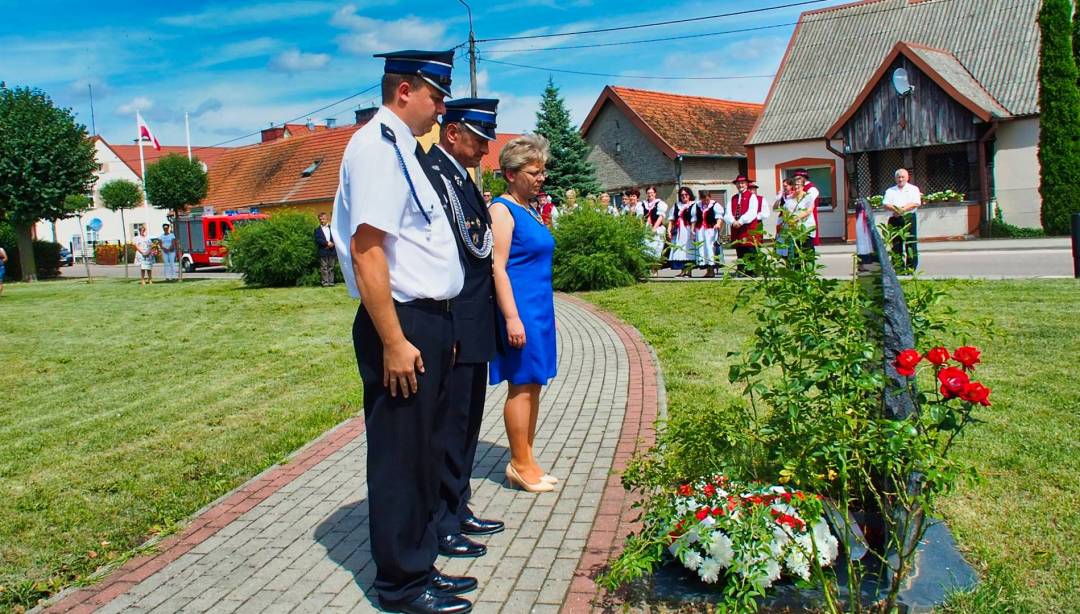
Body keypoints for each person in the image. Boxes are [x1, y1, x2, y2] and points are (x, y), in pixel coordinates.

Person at [330, 49, 476, 614]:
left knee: (422, 452)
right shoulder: (374, 149)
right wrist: (394, 340)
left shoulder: (404, 150)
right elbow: (368, 252)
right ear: (405, 91)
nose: (442, 109)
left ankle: (418, 563)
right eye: (436, 97)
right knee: (400, 456)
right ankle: (400, 585)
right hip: (402, 321)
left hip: (426, 321)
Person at [417, 97, 506, 561]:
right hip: (455, 323)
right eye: (479, 140)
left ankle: (458, 505)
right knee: (450, 427)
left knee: (467, 425)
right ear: (453, 133)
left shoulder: (460, 178)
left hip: (473, 322)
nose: (486, 151)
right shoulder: (433, 176)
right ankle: (443, 521)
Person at [488, 134, 558, 494]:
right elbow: (498, 267)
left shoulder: (528, 207)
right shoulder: (502, 210)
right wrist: (512, 318)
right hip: (520, 311)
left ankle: (528, 459)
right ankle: (518, 464)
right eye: (534, 171)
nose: (540, 177)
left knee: (533, 384)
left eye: (542, 171)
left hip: (539, 309)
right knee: (521, 384)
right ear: (510, 173)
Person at [883, 168, 922, 272]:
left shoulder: (914, 189)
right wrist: (896, 210)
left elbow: (915, 203)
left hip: (909, 218)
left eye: (902, 177)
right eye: (898, 177)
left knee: (911, 244)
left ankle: (910, 269)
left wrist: (902, 210)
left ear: (907, 177)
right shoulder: (890, 191)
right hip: (895, 219)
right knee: (896, 244)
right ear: (895, 179)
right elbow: (886, 204)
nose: (900, 179)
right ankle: (898, 268)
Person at [725, 175, 762, 276]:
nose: (740, 185)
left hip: (747, 228)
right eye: (738, 183)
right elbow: (728, 212)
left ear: (746, 184)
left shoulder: (752, 196)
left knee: (750, 249)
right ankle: (741, 270)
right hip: (737, 228)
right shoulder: (733, 198)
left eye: (742, 183)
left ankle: (752, 271)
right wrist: (732, 221)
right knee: (740, 249)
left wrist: (741, 221)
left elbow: (752, 212)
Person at [785, 175, 818, 264]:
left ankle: (809, 272)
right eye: (794, 184)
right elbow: (786, 211)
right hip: (794, 229)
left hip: (806, 228)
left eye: (798, 184)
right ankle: (798, 272)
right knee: (796, 252)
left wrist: (795, 218)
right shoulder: (789, 198)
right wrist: (788, 219)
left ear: (803, 185)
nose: (796, 186)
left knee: (807, 251)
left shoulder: (808, 196)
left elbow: (809, 210)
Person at [668, 186, 696, 276]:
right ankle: (683, 271)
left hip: (688, 230)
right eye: (682, 195)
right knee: (680, 250)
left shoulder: (694, 205)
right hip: (679, 231)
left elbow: (694, 219)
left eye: (686, 194)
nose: (684, 196)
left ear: (689, 195)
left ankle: (689, 271)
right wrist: (669, 230)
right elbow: (671, 219)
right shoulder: (676, 206)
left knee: (689, 250)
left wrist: (692, 231)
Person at [695, 189, 723, 278]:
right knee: (702, 249)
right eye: (703, 200)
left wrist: (718, 224)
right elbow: (694, 219)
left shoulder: (715, 205)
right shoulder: (697, 205)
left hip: (710, 230)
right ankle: (708, 269)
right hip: (700, 230)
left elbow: (719, 217)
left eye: (707, 199)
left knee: (710, 248)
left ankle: (711, 269)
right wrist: (693, 230)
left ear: (710, 198)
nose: (705, 202)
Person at [793, 169, 821, 246]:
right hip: (796, 219)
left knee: (807, 243)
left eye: (798, 178)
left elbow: (807, 203)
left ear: (804, 178)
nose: (796, 180)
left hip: (807, 217)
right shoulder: (797, 188)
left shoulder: (812, 189)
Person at [642, 186, 668, 260]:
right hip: (646, 228)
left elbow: (660, 217)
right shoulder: (643, 204)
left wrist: (654, 228)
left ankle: (655, 269)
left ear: (655, 193)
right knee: (646, 249)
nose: (650, 194)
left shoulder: (660, 203)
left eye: (652, 192)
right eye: (648, 193)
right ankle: (649, 269)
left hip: (657, 228)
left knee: (656, 249)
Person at [314, 212, 337, 286]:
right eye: (320, 219)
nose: (322, 221)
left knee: (331, 267)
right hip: (323, 250)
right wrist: (327, 243)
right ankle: (325, 283)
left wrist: (332, 243)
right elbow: (318, 239)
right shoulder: (317, 230)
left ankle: (331, 282)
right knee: (324, 268)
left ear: (327, 219)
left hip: (332, 250)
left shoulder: (332, 228)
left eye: (323, 219)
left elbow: (336, 237)